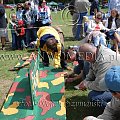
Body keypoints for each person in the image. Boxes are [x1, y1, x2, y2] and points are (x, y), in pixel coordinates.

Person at [78, 43, 120, 107]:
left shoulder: (104, 61)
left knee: (94, 97)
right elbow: (92, 69)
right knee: (86, 65)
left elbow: (101, 86)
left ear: (88, 56)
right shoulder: (96, 53)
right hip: (113, 80)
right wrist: (85, 81)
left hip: (117, 87)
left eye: (83, 58)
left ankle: (115, 111)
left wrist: (86, 85)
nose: (83, 59)